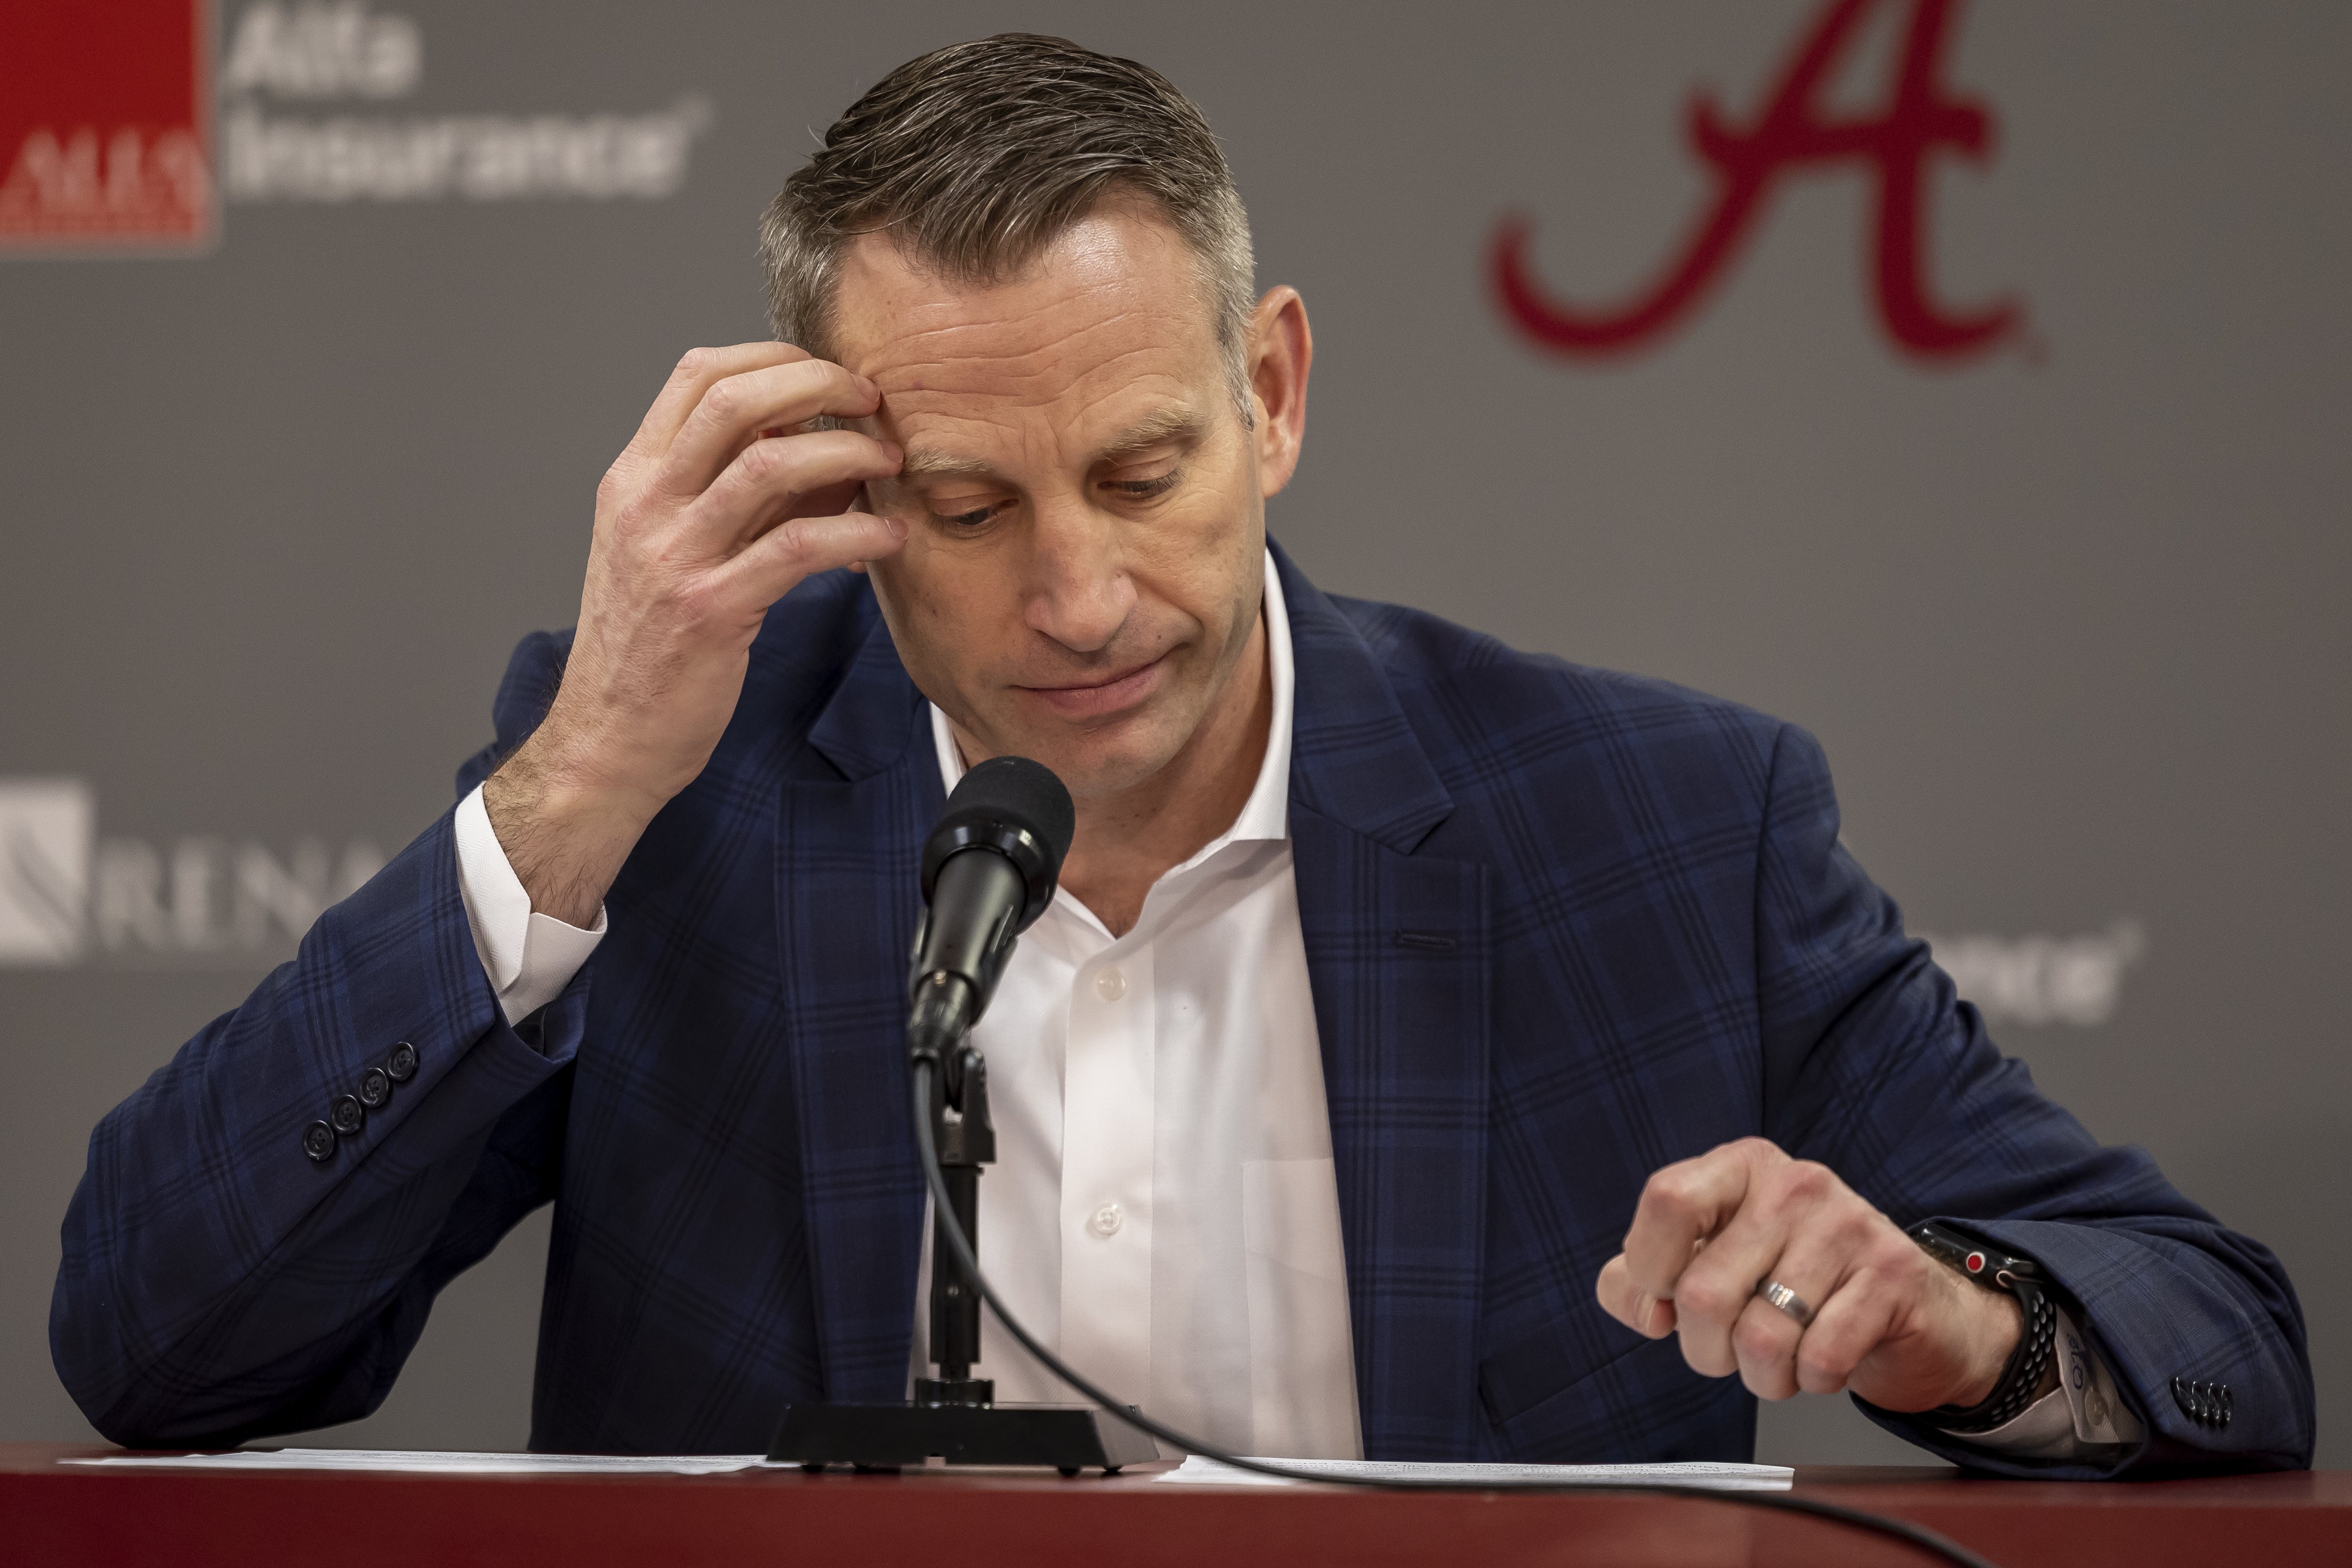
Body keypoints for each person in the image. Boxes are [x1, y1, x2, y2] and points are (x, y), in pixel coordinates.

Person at [54, 34, 2309, 1475]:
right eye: (962, 507)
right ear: (842, 485)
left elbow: (2216, 1339)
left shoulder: (1666, 827)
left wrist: (1950, 1327)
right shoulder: (688, 801)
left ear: (1277, 396)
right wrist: (567, 794)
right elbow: (154, 1350)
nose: (1077, 599)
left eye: (1139, 475)